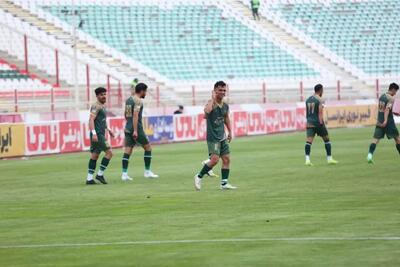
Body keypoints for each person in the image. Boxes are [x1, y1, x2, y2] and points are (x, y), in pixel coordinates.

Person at [194, 81, 236, 190]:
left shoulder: (225, 105)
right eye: (220, 90)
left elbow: (226, 118)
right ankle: (198, 176)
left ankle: (224, 183)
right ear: (215, 91)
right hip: (213, 138)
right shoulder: (210, 103)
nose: (222, 92)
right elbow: (207, 112)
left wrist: (230, 132)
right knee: (215, 160)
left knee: (226, 159)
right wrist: (212, 99)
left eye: (224, 90)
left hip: (222, 136)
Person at [121, 83, 159, 180]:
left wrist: (129, 125)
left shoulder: (129, 99)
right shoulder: (138, 101)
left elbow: (126, 114)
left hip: (128, 127)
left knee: (128, 150)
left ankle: (124, 174)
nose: (146, 93)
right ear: (142, 91)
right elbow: (135, 115)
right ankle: (147, 172)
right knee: (148, 148)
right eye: (145, 91)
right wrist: (135, 130)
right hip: (136, 128)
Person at [86, 87, 115, 185]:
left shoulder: (102, 106)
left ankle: (89, 179)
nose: (104, 96)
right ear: (97, 96)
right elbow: (91, 120)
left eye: (105, 94)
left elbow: (101, 120)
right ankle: (100, 174)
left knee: (95, 155)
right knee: (109, 153)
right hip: (97, 134)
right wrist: (94, 133)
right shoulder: (96, 106)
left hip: (100, 133)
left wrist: (108, 129)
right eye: (101, 94)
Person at [304, 84, 338, 166]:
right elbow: (320, 112)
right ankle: (329, 159)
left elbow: (307, 112)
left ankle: (307, 160)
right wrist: (321, 123)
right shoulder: (320, 99)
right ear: (320, 90)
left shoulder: (308, 99)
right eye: (322, 90)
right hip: (318, 123)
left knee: (309, 141)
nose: (323, 92)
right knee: (327, 139)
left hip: (309, 123)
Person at [367, 83, 400, 163]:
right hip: (388, 122)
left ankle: (369, 155)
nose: (395, 93)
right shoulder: (391, 98)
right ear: (392, 89)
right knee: (397, 139)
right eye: (395, 91)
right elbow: (387, 110)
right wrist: (386, 120)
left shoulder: (382, 96)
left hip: (379, 121)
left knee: (375, 139)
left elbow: (383, 109)